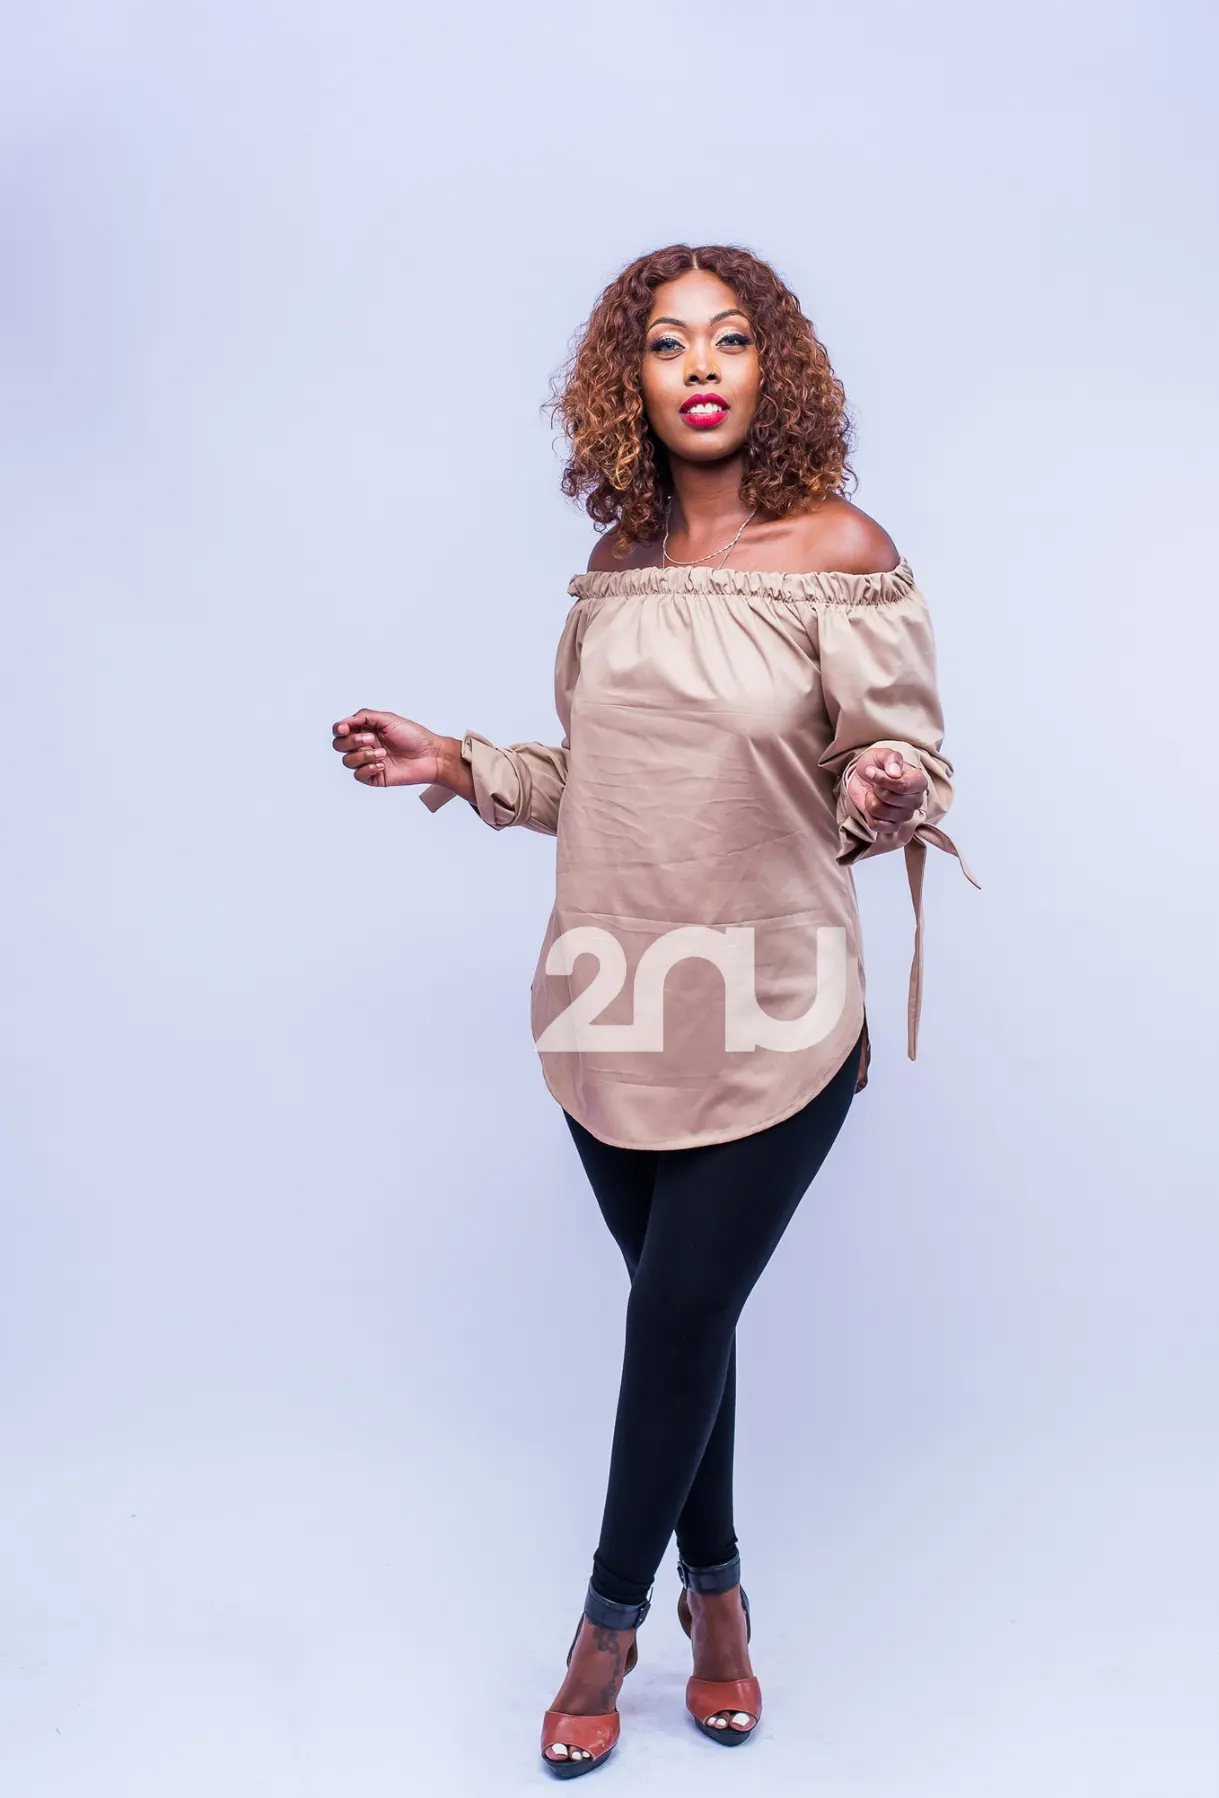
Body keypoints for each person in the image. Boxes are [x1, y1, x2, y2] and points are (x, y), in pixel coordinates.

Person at [330, 242, 980, 1778]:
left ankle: (606, 1629)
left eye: (731, 338)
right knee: (687, 1317)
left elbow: (894, 758)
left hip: (777, 1002)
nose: (701, 365)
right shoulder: (616, 571)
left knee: (677, 1310)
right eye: (670, 341)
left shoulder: (842, 550)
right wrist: (459, 762)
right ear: (629, 379)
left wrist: (890, 783)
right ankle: (723, 1597)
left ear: (774, 369)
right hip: (613, 997)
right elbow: (598, 781)